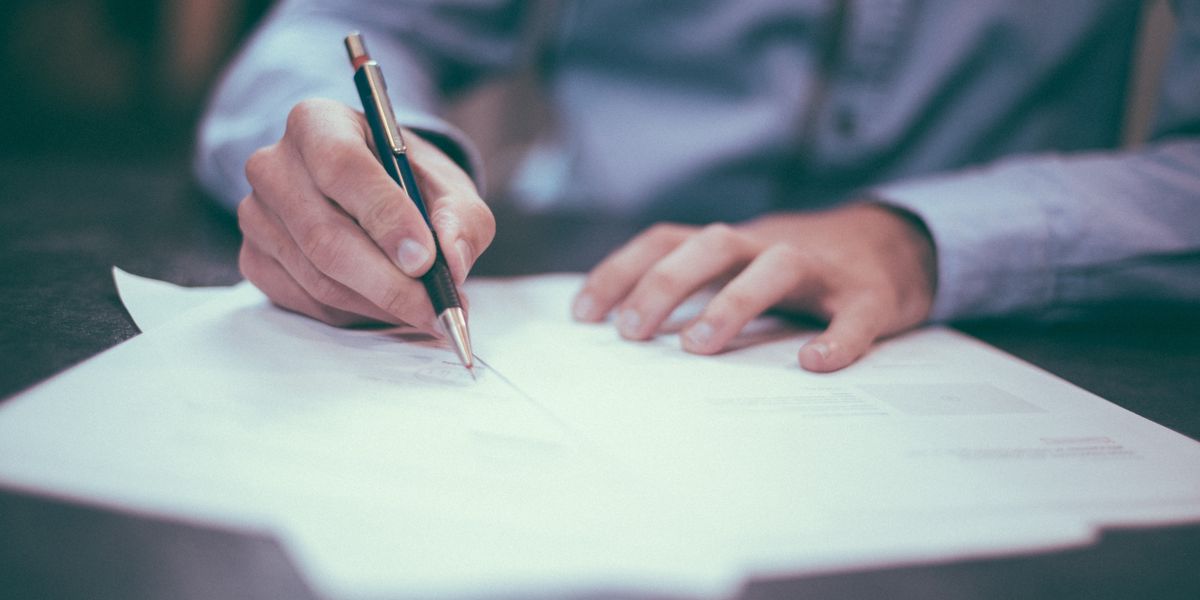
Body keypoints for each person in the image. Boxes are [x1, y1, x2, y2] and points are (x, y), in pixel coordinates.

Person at [195, 1, 1200, 372]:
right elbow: (340, 26)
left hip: (1007, 331)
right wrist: (365, 159)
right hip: (588, 291)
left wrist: (920, 237)